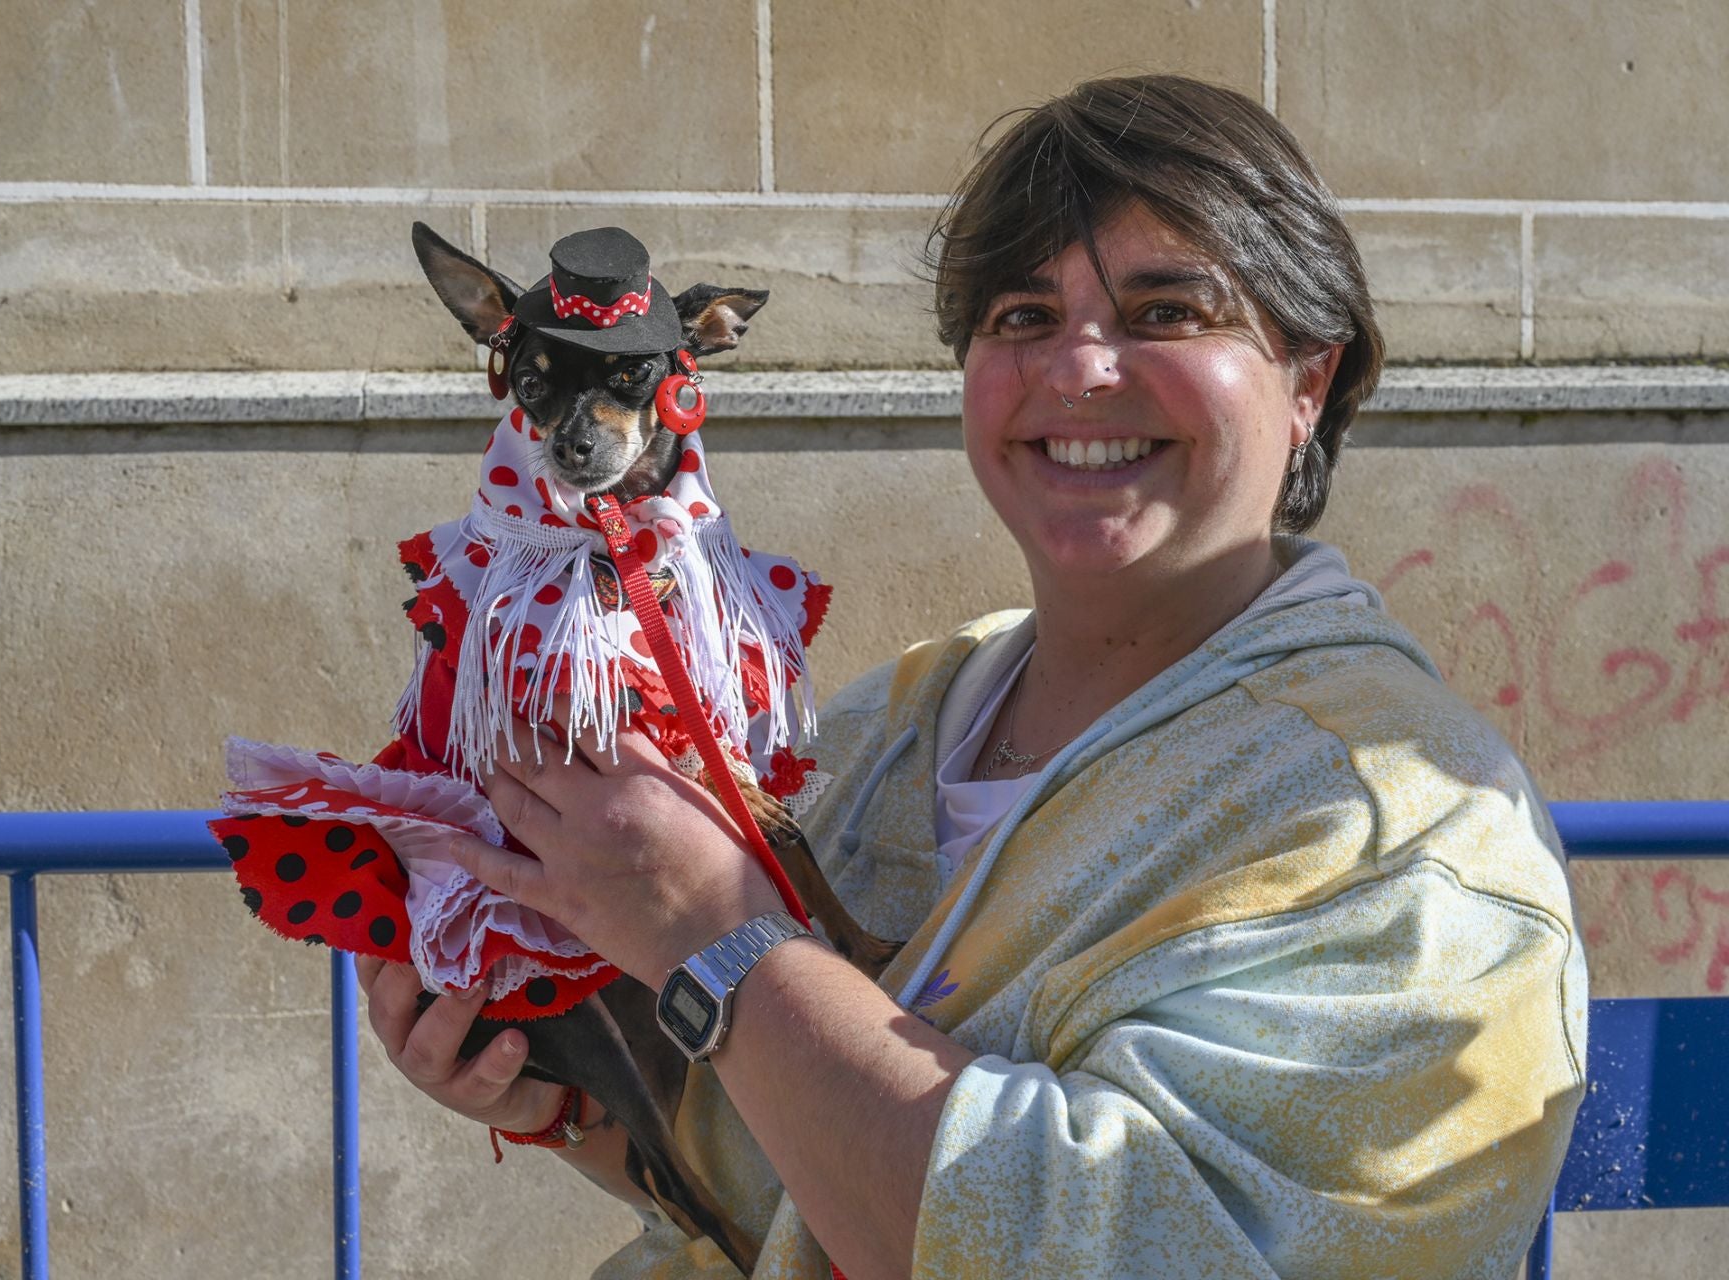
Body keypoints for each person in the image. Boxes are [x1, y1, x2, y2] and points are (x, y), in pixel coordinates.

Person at [354, 74, 1588, 1279]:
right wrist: (561, 1093)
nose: (1079, 370)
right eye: (1020, 318)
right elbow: (775, 1186)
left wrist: (710, 932)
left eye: (1164, 312)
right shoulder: (890, 722)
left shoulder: (1413, 835)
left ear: (1309, 377)